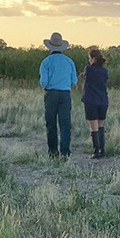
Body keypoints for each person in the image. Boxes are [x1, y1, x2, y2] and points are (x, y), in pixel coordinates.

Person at [40, 32, 78, 160]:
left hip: (51, 94)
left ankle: (53, 152)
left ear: (50, 46)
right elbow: (74, 81)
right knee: (65, 124)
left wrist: (47, 86)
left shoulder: (46, 62)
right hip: (65, 94)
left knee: (51, 124)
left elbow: (43, 82)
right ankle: (65, 153)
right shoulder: (69, 62)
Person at [81, 48, 110, 159]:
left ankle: (96, 151)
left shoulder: (88, 69)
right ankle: (102, 150)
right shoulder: (105, 71)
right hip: (103, 100)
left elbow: (86, 77)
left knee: (93, 126)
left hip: (91, 100)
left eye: (89, 58)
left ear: (93, 58)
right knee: (100, 125)